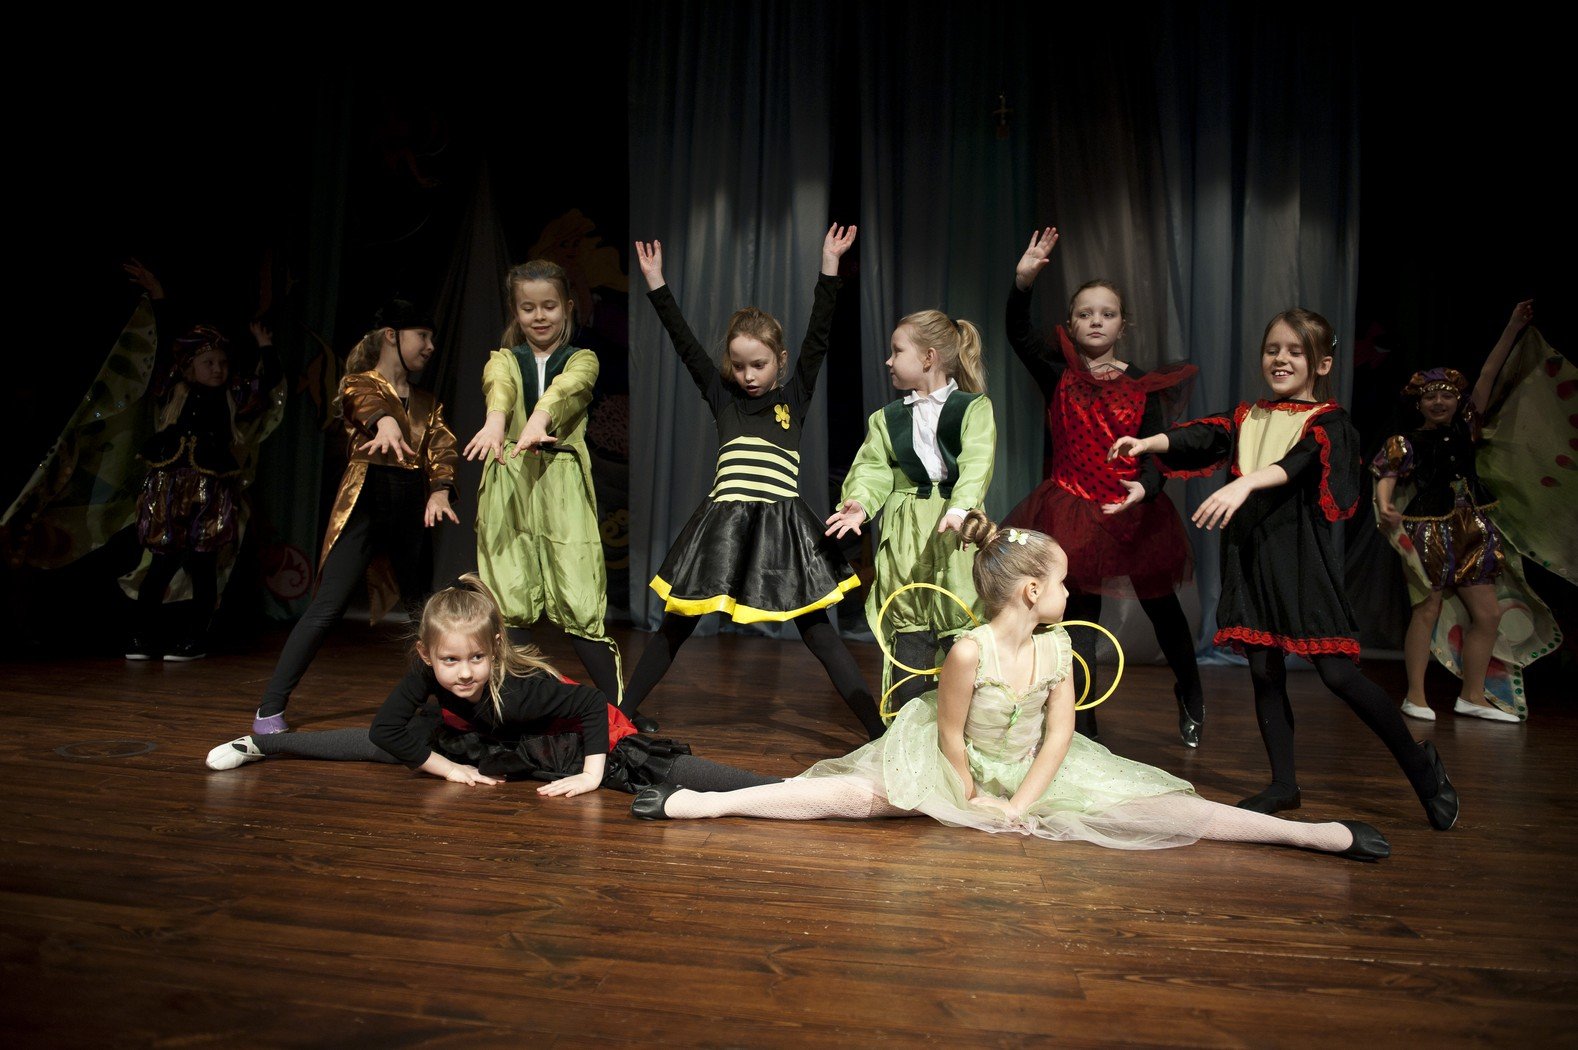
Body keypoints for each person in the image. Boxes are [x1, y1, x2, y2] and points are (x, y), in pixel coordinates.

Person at [631, 513, 1390, 863]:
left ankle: (1316, 835)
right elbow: (948, 733)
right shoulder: (968, 651)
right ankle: (699, 802)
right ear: (1031, 591)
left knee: (1160, 811)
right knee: (854, 798)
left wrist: (1020, 805)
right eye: (1062, 583)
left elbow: (1060, 736)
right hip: (952, 759)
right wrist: (967, 796)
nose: (1068, 592)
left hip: (1030, 771)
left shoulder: (1058, 649)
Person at [1109, 308, 1459, 830]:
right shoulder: (1248, 416)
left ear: (1322, 364)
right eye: (1273, 349)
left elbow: (1297, 463)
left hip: (1299, 562)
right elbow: (1201, 435)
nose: (1281, 359)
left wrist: (1246, 483)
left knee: (1338, 675)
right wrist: (1149, 443)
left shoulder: (1329, 422)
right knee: (1264, 671)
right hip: (1250, 559)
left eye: (1295, 351)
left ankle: (1422, 768)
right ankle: (1283, 784)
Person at [623, 227, 885, 740]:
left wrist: (830, 264)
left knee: (820, 634)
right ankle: (621, 713)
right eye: (739, 365)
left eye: (759, 365)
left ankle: (877, 731)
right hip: (724, 527)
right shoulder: (725, 399)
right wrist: (656, 283)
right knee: (676, 624)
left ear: (779, 361)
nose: (748, 375)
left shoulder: (794, 397)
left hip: (782, 529)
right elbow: (685, 343)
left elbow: (818, 335)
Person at [207, 575, 778, 798]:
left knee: (657, 772)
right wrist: (448, 770)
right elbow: (384, 730)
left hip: (574, 735)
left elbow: (590, 703)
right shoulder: (429, 673)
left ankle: (785, 787)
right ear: (427, 656)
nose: (464, 672)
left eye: (476, 658)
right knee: (390, 745)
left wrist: (590, 774)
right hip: (489, 735)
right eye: (450, 660)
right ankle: (260, 744)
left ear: (494, 651)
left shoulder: (519, 686)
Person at [1003, 227, 1203, 745]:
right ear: (1071, 324)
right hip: (1070, 509)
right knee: (1077, 619)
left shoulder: (1143, 385)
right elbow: (1018, 333)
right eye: (1086, 313)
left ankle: (1191, 691)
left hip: (1129, 511)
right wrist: (1023, 283)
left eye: (1107, 313)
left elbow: (1156, 455)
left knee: (1162, 608)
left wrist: (1146, 490)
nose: (1096, 320)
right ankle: (1081, 730)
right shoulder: (1058, 373)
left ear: (1122, 324)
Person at [250, 299, 459, 736]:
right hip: (366, 501)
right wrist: (385, 423)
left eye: (432, 338)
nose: (430, 346)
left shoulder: (427, 402)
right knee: (326, 608)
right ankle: (270, 707)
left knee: (426, 614)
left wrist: (440, 490)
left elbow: (441, 449)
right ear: (392, 336)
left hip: (410, 507)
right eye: (422, 336)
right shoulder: (358, 384)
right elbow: (363, 404)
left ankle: (451, 707)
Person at [463, 259, 622, 701]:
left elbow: (568, 389)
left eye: (549, 306)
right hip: (510, 475)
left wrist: (539, 420)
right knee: (508, 591)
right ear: (516, 312)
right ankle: (512, 700)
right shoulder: (504, 361)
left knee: (579, 592)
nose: (539, 316)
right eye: (528, 307)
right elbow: (499, 386)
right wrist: (497, 422)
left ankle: (620, 707)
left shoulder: (582, 358)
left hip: (560, 479)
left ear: (567, 307)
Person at [825, 306, 995, 715]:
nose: (889, 360)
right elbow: (873, 469)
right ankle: (910, 720)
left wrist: (960, 509)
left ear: (928, 357)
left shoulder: (972, 408)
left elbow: (977, 461)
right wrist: (860, 503)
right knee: (909, 618)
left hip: (956, 528)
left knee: (960, 611)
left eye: (897, 351)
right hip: (906, 528)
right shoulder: (887, 419)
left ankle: (962, 721)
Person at [1373, 301, 1535, 723]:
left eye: (1447, 395)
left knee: (1489, 613)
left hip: (1474, 527)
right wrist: (1385, 504)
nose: (1439, 402)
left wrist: (1513, 325)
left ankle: (1472, 695)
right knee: (1426, 610)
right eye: (1431, 397)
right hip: (1428, 530)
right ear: (1419, 404)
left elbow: (1488, 373)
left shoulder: (1467, 427)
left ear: (1457, 400)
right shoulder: (1406, 441)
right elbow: (1387, 473)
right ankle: (1415, 696)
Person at [127, 320, 282, 660]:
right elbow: (160, 350)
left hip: (209, 490)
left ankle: (194, 639)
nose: (217, 369)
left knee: (202, 565)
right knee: (161, 564)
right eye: (208, 362)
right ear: (189, 366)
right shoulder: (174, 389)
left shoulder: (231, 395)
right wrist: (160, 301)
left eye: (222, 363)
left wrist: (264, 344)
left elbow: (268, 380)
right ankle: (142, 637)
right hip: (169, 488)